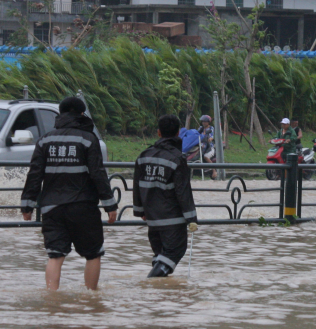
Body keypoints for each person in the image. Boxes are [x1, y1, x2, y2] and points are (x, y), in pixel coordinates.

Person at [20, 96, 118, 291]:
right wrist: (110, 205)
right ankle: (91, 298)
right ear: (82, 115)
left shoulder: (45, 140)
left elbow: (34, 174)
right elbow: (98, 174)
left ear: (61, 114)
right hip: (83, 207)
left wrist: (27, 205)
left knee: (55, 255)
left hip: (51, 208)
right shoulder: (88, 139)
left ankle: (52, 299)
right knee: (93, 253)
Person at [133, 115, 199, 278]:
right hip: (172, 220)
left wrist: (140, 210)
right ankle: (149, 283)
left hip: (152, 219)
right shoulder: (177, 158)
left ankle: (159, 297)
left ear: (158, 133)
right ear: (178, 133)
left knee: (161, 255)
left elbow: (136, 185)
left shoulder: (144, 156)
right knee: (172, 253)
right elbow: (183, 191)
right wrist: (191, 218)